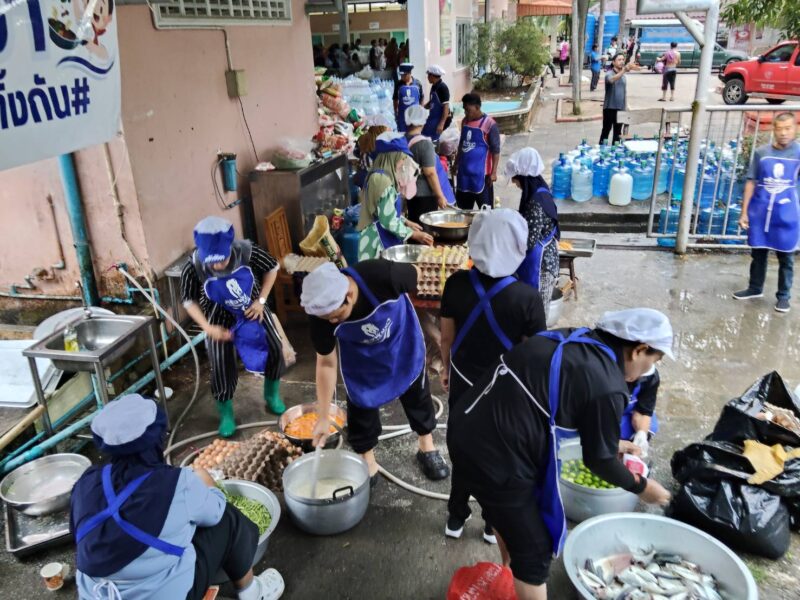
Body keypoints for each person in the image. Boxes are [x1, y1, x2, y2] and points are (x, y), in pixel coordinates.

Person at [447, 309, 674, 600]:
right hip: (494, 456)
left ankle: (509, 576)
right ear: (639, 349)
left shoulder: (574, 339)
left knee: (506, 518)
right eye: (654, 360)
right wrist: (643, 487)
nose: (649, 370)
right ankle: (521, 575)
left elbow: (561, 402)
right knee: (535, 551)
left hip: (466, 425)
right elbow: (599, 462)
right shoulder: (608, 384)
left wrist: (610, 442)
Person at [70, 394, 284, 600]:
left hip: (95, 595)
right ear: (157, 441)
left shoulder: (85, 483)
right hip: (160, 595)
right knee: (228, 518)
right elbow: (216, 511)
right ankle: (252, 592)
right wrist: (207, 481)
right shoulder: (176, 483)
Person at [440, 209, 547, 543]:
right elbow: (533, 356)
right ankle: (491, 523)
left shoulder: (455, 284)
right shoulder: (528, 298)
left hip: (463, 383)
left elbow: (447, 338)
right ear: (517, 247)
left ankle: (456, 516)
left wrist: (446, 368)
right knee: (499, 455)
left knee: (463, 448)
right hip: (505, 392)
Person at [301, 261, 451, 483]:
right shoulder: (321, 315)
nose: (332, 322)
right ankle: (367, 460)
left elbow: (416, 272)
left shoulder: (385, 276)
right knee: (361, 407)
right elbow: (326, 364)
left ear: (349, 295)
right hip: (362, 361)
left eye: (336, 316)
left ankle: (426, 445)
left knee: (418, 396)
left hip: (401, 345)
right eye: (328, 319)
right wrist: (323, 416)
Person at [180, 217, 287, 437]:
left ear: (230, 246)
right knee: (220, 362)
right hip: (217, 315)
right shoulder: (194, 264)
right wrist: (207, 327)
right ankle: (226, 413)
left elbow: (272, 268)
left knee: (274, 347)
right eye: (212, 262)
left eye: (222, 259)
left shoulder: (247, 251)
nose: (217, 266)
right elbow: (188, 300)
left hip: (251, 308)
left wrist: (261, 301)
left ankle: (271, 395)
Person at [734, 112, 800, 313]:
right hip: (761, 211)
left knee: (786, 257)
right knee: (758, 252)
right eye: (779, 129)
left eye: (788, 128)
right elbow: (751, 182)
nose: (783, 133)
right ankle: (755, 288)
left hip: (787, 213)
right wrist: (744, 212)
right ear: (773, 130)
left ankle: (783, 296)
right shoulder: (761, 153)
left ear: (795, 129)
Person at [357, 132, 433, 260]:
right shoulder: (381, 180)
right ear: (392, 158)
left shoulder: (381, 176)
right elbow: (387, 221)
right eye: (402, 159)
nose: (403, 163)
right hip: (377, 242)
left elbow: (385, 210)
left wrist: (405, 221)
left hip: (385, 236)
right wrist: (413, 234)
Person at [504, 148, 560, 320]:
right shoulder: (540, 189)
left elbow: (529, 241)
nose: (515, 184)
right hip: (545, 258)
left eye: (516, 180)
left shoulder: (536, 202)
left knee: (537, 315)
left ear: (524, 177)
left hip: (542, 265)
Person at [404, 105, 456, 221]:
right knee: (425, 227)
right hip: (425, 195)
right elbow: (430, 173)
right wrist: (440, 196)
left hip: (410, 192)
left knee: (415, 224)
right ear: (423, 121)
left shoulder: (403, 139)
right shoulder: (424, 144)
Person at [454, 93, 501, 210]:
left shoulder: (490, 124)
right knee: (463, 211)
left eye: (468, 110)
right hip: (464, 175)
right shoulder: (465, 122)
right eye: (464, 110)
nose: (466, 113)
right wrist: (456, 163)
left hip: (481, 177)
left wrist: (493, 172)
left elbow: (495, 150)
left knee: (486, 211)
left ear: (477, 107)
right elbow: (461, 144)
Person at [622, 366, 660, 458]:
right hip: (602, 414)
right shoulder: (606, 373)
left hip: (628, 409)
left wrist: (641, 433)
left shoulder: (650, 375)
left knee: (650, 427)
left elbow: (643, 412)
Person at [599, 53, 635, 146]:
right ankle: (602, 150)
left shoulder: (623, 76)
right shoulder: (609, 74)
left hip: (621, 109)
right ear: (613, 62)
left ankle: (615, 151)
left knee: (618, 133)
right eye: (619, 60)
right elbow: (611, 80)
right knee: (606, 131)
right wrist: (623, 70)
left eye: (623, 59)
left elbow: (624, 92)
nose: (622, 61)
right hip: (609, 108)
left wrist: (626, 105)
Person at [423, 64, 452, 141]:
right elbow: (432, 101)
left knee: (431, 139)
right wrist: (422, 107)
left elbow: (446, 106)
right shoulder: (434, 86)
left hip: (439, 119)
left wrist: (441, 124)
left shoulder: (443, 88)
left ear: (432, 76)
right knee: (424, 134)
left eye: (428, 75)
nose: (427, 77)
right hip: (433, 117)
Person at [394, 63, 424, 133]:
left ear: (409, 73)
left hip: (415, 116)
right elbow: (395, 99)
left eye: (404, 75)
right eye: (401, 75)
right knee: (402, 135)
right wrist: (396, 112)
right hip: (402, 117)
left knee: (414, 134)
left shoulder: (418, 84)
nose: (402, 77)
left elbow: (422, 98)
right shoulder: (398, 84)